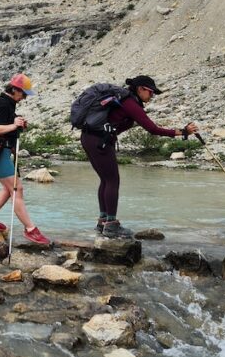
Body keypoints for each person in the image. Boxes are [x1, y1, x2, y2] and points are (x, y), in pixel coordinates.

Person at [81, 75, 198, 238]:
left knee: (105, 180)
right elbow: (153, 129)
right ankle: (111, 225)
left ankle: (103, 221)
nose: (152, 96)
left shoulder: (124, 101)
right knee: (112, 181)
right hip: (99, 141)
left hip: (90, 138)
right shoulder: (130, 102)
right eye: (151, 92)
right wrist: (182, 132)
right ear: (141, 89)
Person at [0, 73, 51, 245]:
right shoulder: (3, 104)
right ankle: (30, 229)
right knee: (17, 190)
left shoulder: (5, 103)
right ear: (15, 90)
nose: (25, 97)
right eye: (24, 93)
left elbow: (4, 126)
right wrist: (14, 125)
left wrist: (17, 124)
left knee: (7, 190)